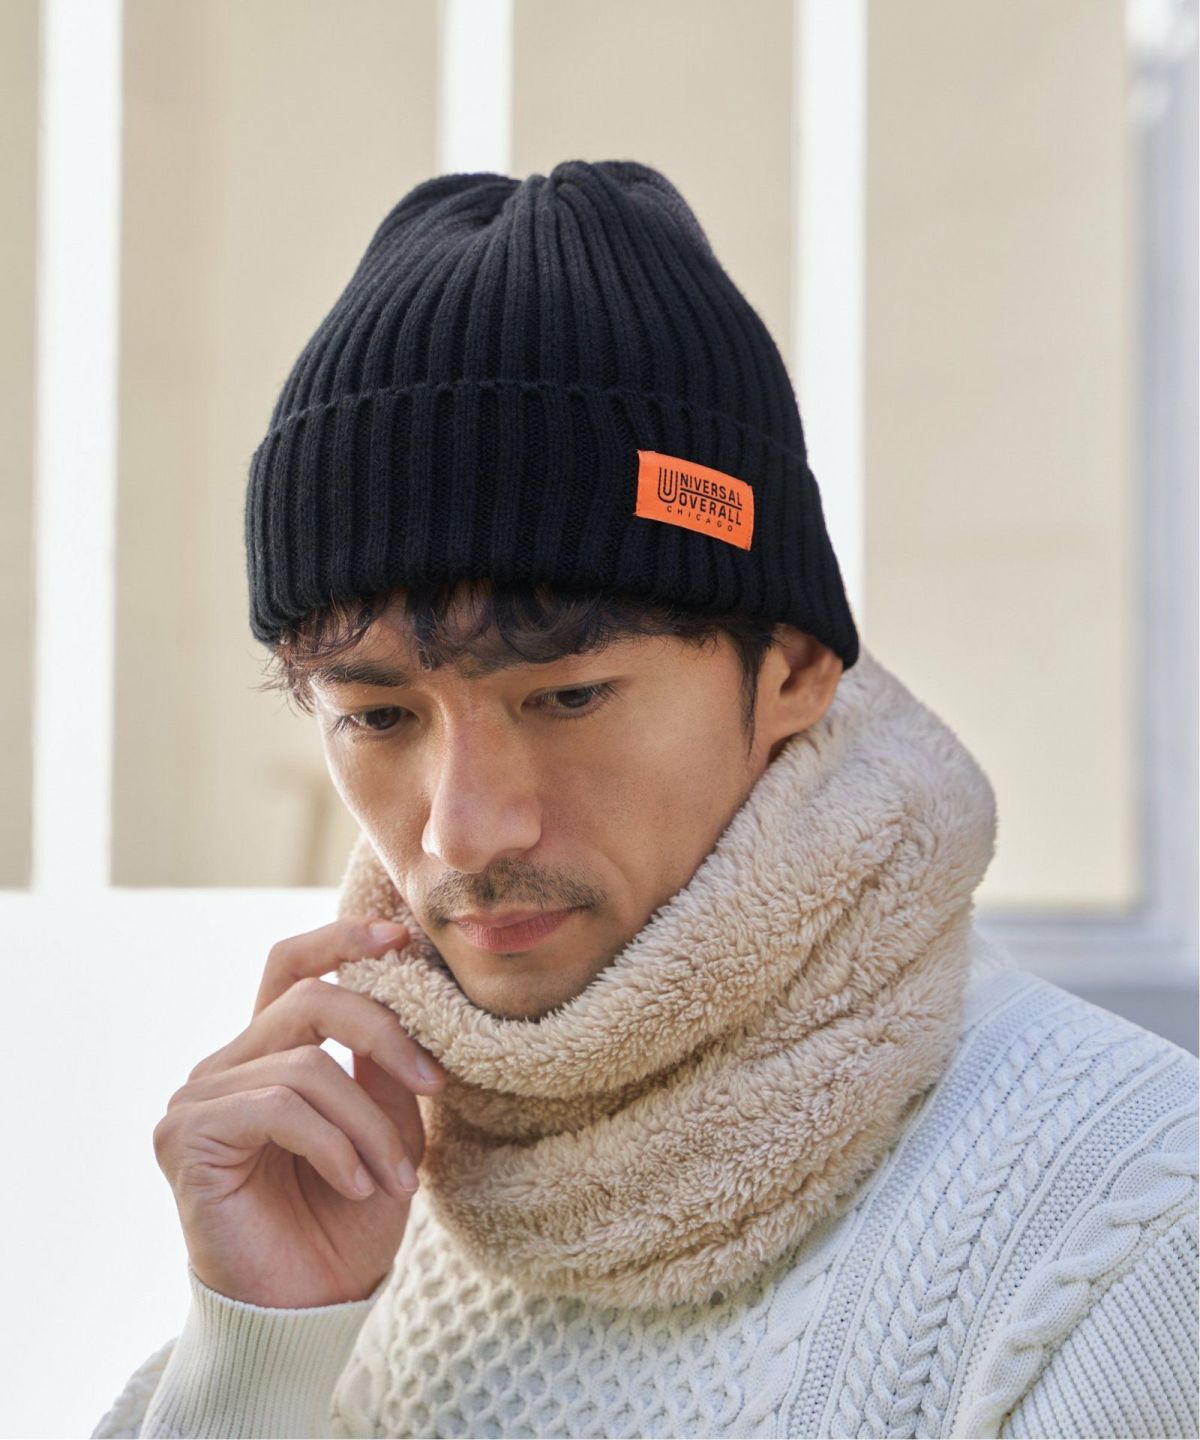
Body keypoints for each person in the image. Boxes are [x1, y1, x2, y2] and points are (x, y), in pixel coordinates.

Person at [93, 160, 1198, 1440]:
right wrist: (257, 1356)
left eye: (566, 697)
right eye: (379, 716)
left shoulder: (1123, 1228)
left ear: (792, 670)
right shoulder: (340, 1195)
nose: (463, 829)